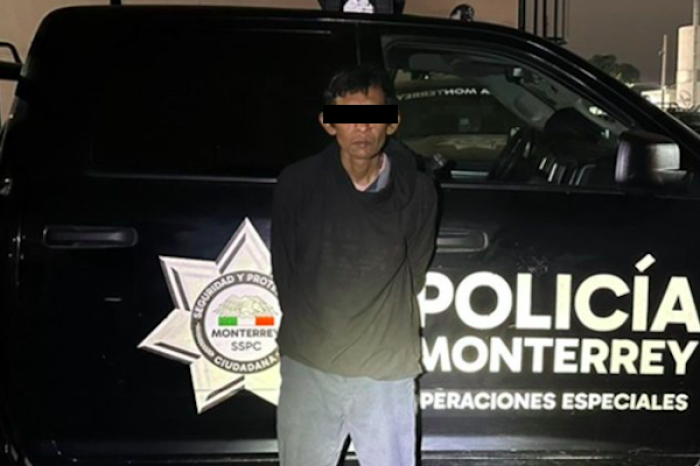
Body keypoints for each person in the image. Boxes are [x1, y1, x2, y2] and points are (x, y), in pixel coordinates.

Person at [272, 65, 438, 466]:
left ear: (392, 122)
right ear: (328, 123)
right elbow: (286, 273)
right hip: (310, 364)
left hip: (385, 368)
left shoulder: (419, 190)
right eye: (348, 116)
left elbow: (413, 271)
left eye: (374, 115)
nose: (362, 126)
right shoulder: (297, 184)